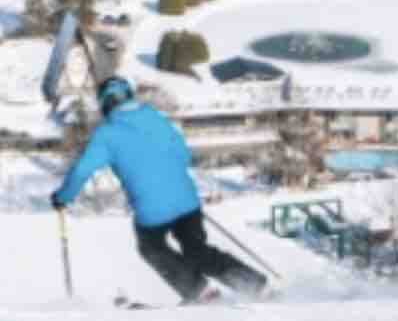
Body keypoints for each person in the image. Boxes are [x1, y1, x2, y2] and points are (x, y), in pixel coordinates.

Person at [51, 76, 267, 303]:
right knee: (197, 250)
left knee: (151, 247)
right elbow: (183, 154)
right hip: (187, 201)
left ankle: (199, 290)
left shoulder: (107, 134)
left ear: (104, 104)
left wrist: (63, 197)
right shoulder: (153, 116)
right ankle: (254, 285)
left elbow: (81, 170)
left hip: (151, 211)